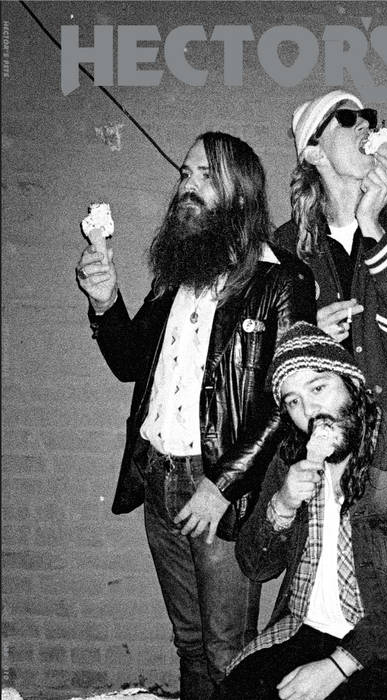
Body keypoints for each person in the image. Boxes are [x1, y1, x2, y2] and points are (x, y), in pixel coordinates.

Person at [75, 132, 316, 699]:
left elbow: (287, 400)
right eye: (186, 173)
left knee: (227, 649)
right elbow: (130, 363)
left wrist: (222, 485)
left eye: (206, 175)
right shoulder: (177, 275)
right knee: (188, 642)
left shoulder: (281, 280)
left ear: (241, 192)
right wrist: (106, 302)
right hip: (158, 474)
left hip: (217, 486)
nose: (188, 185)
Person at [217, 321, 387, 700]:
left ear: (353, 384)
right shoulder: (289, 460)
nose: (309, 411)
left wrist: (338, 665)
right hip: (302, 628)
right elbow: (256, 567)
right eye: (293, 401)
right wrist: (282, 505)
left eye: (318, 388)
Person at [275, 90, 387, 421]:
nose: (365, 124)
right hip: (326, 422)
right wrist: (307, 334)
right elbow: (272, 348)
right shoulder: (287, 243)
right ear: (314, 152)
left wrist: (371, 224)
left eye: (368, 116)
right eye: (346, 118)